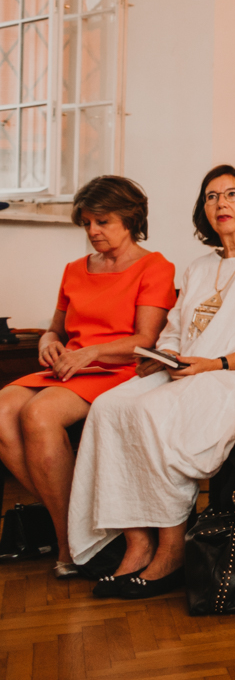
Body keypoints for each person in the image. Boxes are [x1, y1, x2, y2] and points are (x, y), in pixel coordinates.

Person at [67, 166, 235, 598]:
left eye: (232, 194)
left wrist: (211, 364)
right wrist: (163, 357)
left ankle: (171, 550)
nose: (221, 203)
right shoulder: (199, 266)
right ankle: (137, 545)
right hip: (187, 369)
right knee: (109, 407)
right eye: (211, 196)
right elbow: (175, 329)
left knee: (150, 413)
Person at [0, 177, 176, 578]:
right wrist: (48, 343)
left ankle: (68, 544)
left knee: (38, 414)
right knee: (2, 408)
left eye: (102, 221)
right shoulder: (74, 269)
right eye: (86, 223)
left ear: (131, 218)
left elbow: (145, 339)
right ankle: (79, 527)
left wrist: (91, 353)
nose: (92, 231)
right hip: (70, 366)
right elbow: (55, 330)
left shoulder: (155, 267)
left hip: (118, 369)